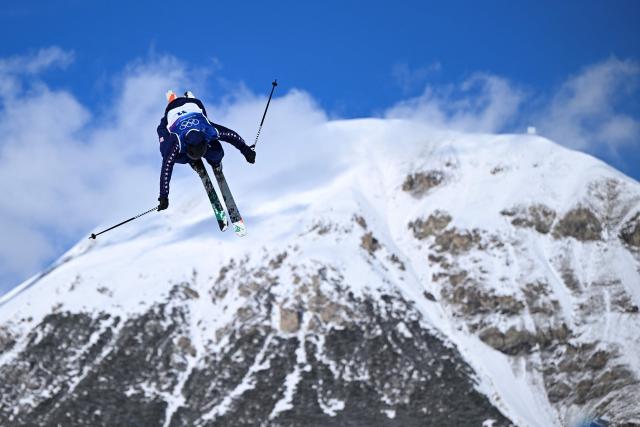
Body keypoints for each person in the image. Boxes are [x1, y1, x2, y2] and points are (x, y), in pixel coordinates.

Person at [156, 91, 256, 211]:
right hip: (171, 114)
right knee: (166, 154)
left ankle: (215, 163)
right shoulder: (175, 143)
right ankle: (192, 160)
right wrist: (164, 196)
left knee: (216, 151)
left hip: (193, 105)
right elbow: (167, 168)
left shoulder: (209, 130)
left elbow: (231, 135)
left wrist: (246, 151)